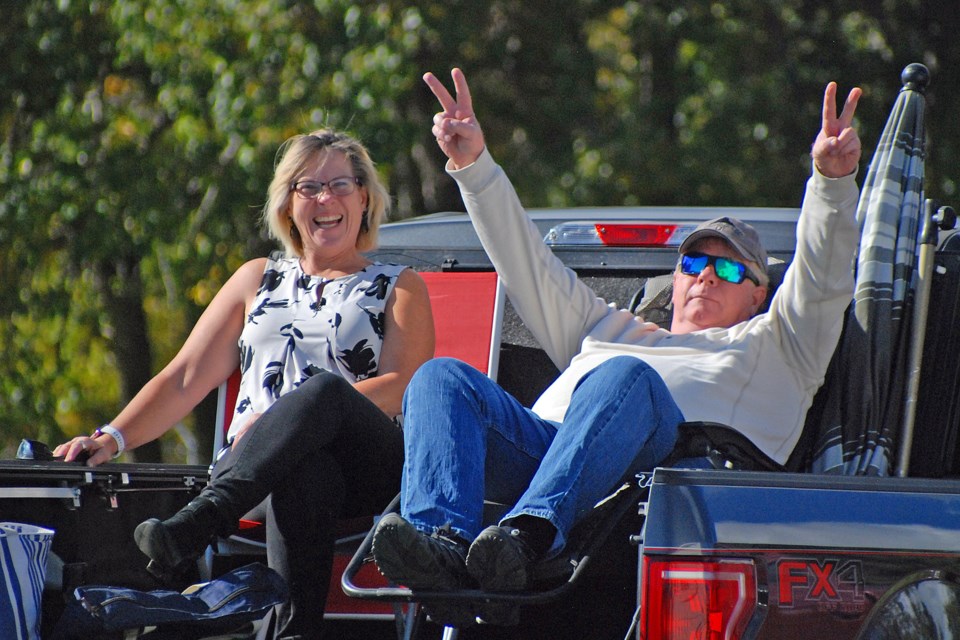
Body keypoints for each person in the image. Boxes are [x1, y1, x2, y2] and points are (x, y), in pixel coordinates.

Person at [371, 68, 862, 608]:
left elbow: (822, 278)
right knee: (442, 378)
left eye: (727, 270)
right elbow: (526, 264)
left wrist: (832, 183)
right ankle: (441, 541)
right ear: (673, 282)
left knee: (626, 375)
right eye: (694, 262)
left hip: (656, 477)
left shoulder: (779, 345)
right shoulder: (611, 328)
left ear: (758, 294)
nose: (703, 276)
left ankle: (529, 536)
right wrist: (473, 165)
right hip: (549, 450)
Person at [54, 129, 435, 640]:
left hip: (368, 468)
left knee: (321, 395)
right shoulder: (257, 279)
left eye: (341, 185)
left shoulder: (398, 284)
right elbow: (185, 375)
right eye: (309, 187)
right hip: (261, 471)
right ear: (287, 204)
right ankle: (294, 632)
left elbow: (404, 382)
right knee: (304, 468)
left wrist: (286, 413)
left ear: (365, 198)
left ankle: (200, 521)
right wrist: (112, 437)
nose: (326, 199)